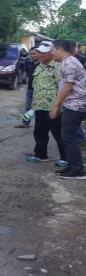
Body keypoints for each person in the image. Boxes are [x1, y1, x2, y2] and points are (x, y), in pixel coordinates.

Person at [49, 40, 86, 179]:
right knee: (67, 137)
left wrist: (55, 106)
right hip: (74, 104)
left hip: (76, 105)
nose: (51, 52)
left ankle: (77, 171)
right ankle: (72, 166)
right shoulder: (69, 61)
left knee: (68, 137)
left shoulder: (69, 63)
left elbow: (68, 87)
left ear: (59, 49)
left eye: (52, 49)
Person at [26, 41, 65, 163]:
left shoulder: (58, 67)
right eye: (39, 52)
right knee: (39, 132)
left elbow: (62, 88)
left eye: (43, 52)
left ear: (50, 53)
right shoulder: (39, 66)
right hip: (39, 106)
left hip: (52, 106)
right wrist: (32, 107)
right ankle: (40, 155)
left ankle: (66, 158)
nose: (40, 55)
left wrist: (57, 106)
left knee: (58, 133)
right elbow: (36, 87)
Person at [15, 46, 40, 128]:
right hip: (30, 88)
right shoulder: (28, 62)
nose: (33, 55)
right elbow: (26, 72)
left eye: (35, 54)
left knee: (39, 108)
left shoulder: (43, 64)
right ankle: (25, 123)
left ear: (39, 53)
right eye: (31, 54)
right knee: (27, 107)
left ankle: (41, 125)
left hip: (40, 90)